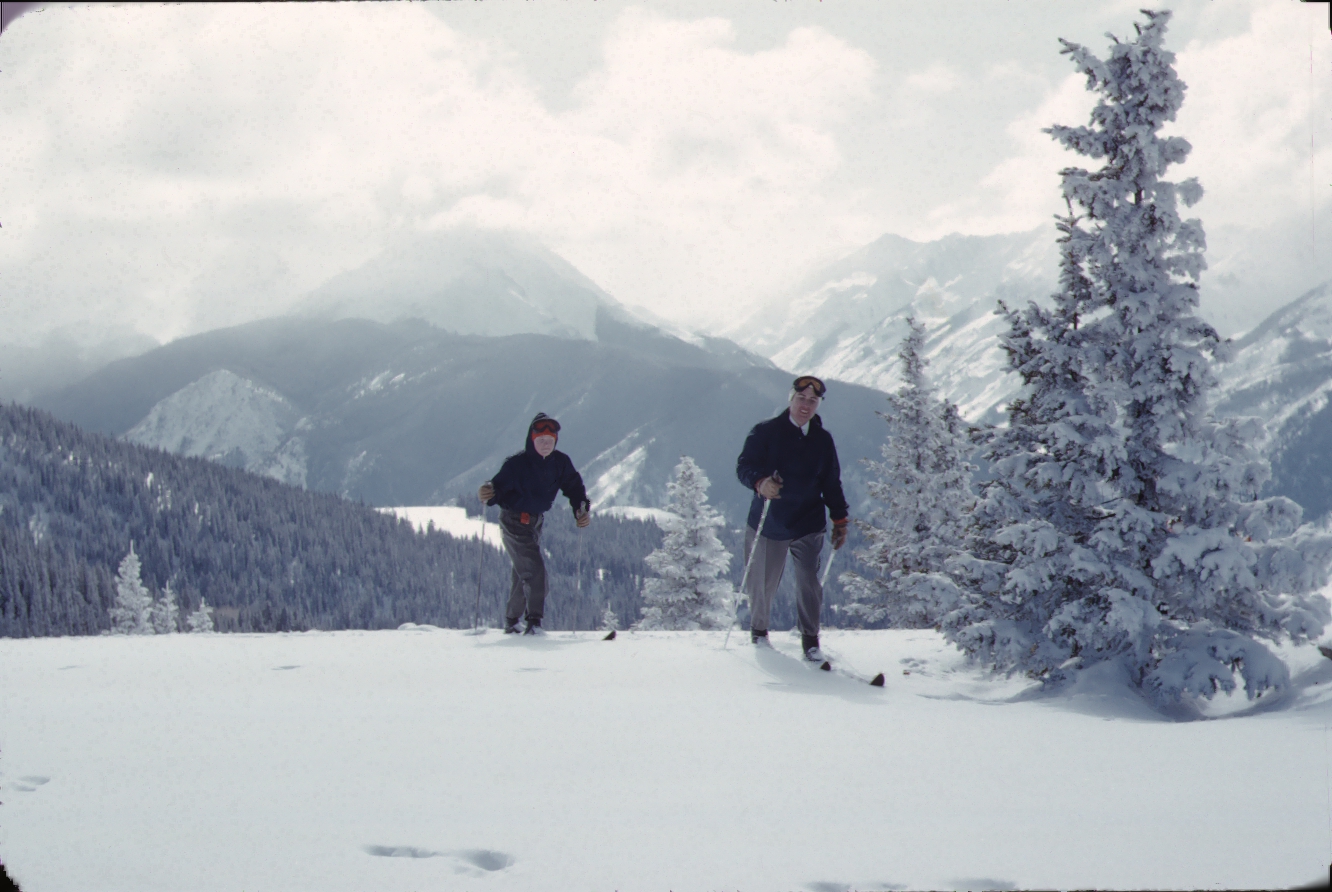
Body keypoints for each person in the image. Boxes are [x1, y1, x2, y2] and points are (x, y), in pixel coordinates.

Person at [735, 375, 850, 662]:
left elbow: (831, 482)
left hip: (808, 523)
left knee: (809, 583)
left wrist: (839, 518)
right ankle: (759, 634)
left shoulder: (822, 440)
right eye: (802, 399)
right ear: (791, 399)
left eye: (813, 401)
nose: (806, 405)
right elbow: (744, 466)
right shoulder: (765, 432)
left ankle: (810, 642)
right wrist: (761, 483)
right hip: (769, 520)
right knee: (762, 583)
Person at [478, 413, 591, 635]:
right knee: (535, 572)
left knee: (524, 572)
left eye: (550, 440)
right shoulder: (516, 464)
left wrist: (581, 510)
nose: (546, 444)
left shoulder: (561, 463)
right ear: (532, 440)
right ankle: (534, 623)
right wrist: (488, 493)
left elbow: (575, 488)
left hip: (536, 522)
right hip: (513, 521)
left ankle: (512, 622)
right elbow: (497, 490)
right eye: (541, 441)